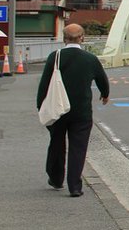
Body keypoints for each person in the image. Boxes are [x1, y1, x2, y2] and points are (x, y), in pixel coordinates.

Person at [36, 24, 110, 197]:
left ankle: (55, 178)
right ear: (82, 38)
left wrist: (41, 106)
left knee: (56, 143)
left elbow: (44, 85)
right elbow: (102, 80)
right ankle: (75, 186)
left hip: (57, 109)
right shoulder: (90, 58)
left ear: (64, 38)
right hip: (81, 111)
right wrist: (105, 94)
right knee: (78, 147)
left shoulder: (55, 57)